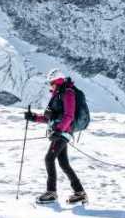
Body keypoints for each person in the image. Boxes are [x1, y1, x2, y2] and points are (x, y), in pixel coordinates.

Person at [24, 70, 86, 205]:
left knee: (49, 158)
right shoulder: (58, 95)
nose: (49, 86)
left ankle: (51, 192)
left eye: (50, 83)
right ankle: (79, 192)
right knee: (63, 163)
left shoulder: (67, 93)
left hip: (62, 133)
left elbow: (69, 116)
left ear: (55, 82)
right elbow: (50, 119)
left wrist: (58, 131)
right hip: (59, 132)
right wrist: (34, 117)